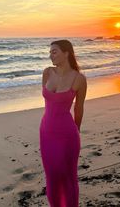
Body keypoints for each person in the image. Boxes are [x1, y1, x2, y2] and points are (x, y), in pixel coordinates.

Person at [39, 39, 87, 207]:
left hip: (67, 134)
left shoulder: (79, 78)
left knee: (68, 176)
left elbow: (79, 109)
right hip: (45, 131)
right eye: (50, 52)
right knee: (51, 176)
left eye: (54, 51)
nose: (50, 55)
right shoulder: (47, 73)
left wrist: (77, 131)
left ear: (66, 53)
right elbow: (48, 103)